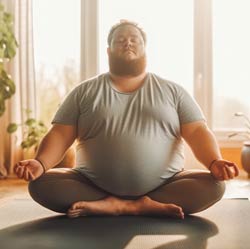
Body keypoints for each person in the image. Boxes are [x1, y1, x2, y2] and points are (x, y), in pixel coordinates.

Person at [14, 20, 239, 219]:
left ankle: (129, 205)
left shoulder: (173, 91)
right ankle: (127, 205)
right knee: (41, 184)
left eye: (134, 39)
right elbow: (60, 135)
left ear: (144, 49)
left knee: (214, 186)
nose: (128, 43)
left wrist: (214, 162)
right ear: (109, 50)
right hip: (91, 186)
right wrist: (40, 163)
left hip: (164, 187)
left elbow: (198, 131)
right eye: (120, 39)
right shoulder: (84, 92)